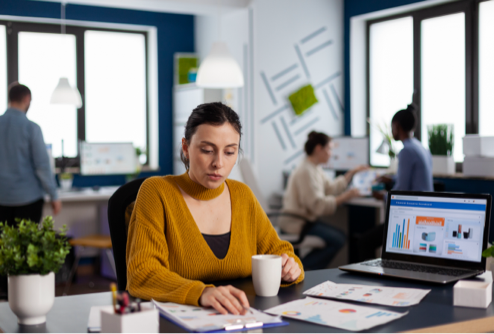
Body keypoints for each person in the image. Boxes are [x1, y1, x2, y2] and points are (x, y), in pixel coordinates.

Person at [126, 102, 303, 315]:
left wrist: (290, 266)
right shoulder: (157, 192)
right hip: (177, 321)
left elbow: (278, 251)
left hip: (240, 315)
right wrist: (201, 293)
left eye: (229, 152)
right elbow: (142, 274)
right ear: (185, 147)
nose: (218, 163)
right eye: (207, 150)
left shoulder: (242, 195)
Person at [0, 82, 61, 297]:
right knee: (27, 246)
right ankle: (24, 293)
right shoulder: (31, 128)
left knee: (4, 243)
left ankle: (5, 291)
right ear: (27, 100)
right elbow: (42, 166)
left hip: (1, 197)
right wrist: (54, 195)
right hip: (28, 198)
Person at [278, 131, 368, 270]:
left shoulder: (314, 168)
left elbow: (330, 188)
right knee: (339, 239)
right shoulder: (306, 171)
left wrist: (352, 172)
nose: (331, 153)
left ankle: (300, 268)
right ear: (319, 148)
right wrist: (347, 196)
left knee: (339, 237)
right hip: (298, 223)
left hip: (305, 220)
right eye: (329, 148)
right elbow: (318, 206)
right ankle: (301, 269)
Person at [357, 104, 434, 261]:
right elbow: (414, 181)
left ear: (396, 126)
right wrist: (391, 179)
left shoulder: (406, 152)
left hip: (411, 218)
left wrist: (381, 196)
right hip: (426, 213)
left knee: (364, 242)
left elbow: (400, 195)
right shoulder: (420, 147)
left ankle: (368, 280)